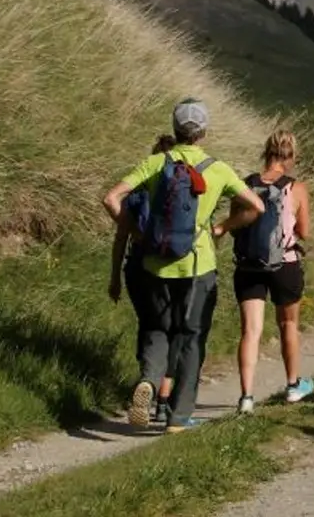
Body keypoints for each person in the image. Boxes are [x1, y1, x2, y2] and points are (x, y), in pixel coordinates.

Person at [102, 99, 265, 432]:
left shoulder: (155, 163)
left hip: (153, 263)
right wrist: (223, 226)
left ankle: (148, 380)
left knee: (155, 328)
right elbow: (256, 206)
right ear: (203, 132)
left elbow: (111, 198)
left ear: (175, 130)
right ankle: (177, 417)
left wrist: (137, 232)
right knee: (191, 337)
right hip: (197, 266)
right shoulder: (217, 169)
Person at [232, 130, 314, 414]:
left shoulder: (245, 185)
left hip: (248, 265)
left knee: (250, 331)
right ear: (289, 157)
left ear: (267, 152)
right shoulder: (297, 188)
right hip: (285, 264)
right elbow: (304, 232)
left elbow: (237, 225)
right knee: (288, 325)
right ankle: (293, 385)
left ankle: (246, 396)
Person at [107, 134, 177, 427]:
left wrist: (114, 278)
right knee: (172, 330)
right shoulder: (180, 190)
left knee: (149, 325)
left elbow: (120, 236)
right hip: (171, 267)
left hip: (136, 268)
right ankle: (161, 397)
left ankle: (146, 380)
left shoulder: (138, 193)